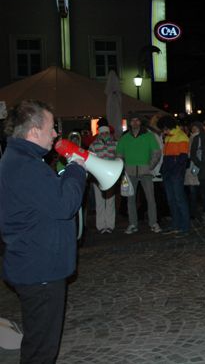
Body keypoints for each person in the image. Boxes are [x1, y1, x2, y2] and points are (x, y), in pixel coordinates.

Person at [0, 100, 86, 363]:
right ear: (34, 131)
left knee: (38, 341)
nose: (56, 134)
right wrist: (75, 170)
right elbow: (64, 205)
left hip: (34, 264)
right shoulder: (26, 165)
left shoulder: (20, 160)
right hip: (40, 269)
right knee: (42, 350)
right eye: (52, 128)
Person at [157, 115, 191, 237]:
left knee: (179, 199)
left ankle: (185, 227)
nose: (163, 131)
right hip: (168, 173)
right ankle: (176, 225)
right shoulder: (168, 137)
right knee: (171, 200)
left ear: (168, 127)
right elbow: (167, 158)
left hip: (176, 174)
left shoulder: (181, 137)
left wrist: (174, 171)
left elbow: (182, 159)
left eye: (163, 129)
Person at [89, 125, 118, 234]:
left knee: (110, 201)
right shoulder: (93, 145)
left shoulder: (115, 144)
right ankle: (101, 225)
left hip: (110, 176)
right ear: (99, 134)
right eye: (102, 133)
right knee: (100, 201)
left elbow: (118, 158)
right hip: (97, 177)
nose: (104, 135)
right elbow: (91, 160)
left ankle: (110, 225)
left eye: (106, 132)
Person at [184, 121, 203, 218]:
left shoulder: (195, 137)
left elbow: (194, 153)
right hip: (195, 167)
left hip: (193, 167)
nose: (194, 129)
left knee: (193, 191)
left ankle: (193, 212)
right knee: (196, 191)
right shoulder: (196, 137)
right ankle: (196, 211)